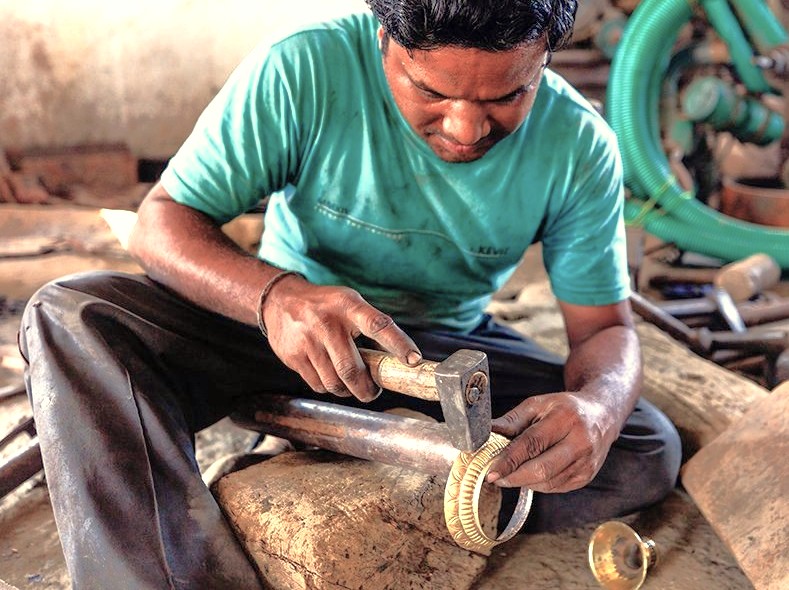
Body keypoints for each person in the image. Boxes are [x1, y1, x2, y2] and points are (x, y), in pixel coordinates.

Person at [19, 0, 682, 588]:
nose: (466, 129)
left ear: (543, 57)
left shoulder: (579, 145)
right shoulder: (303, 69)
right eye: (431, 90)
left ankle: (383, 475)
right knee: (71, 314)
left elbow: (602, 331)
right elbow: (162, 222)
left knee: (641, 445)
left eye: (506, 96)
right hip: (274, 333)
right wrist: (276, 296)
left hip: (430, 359)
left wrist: (595, 405)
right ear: (382, 38)